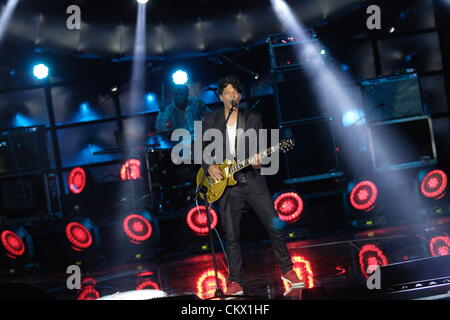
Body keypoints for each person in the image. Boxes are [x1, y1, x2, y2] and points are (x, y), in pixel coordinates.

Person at [200, 76, 304, 296]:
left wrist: (261, 159)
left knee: (274, 225)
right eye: (227, 92)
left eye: (236, 92)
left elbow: (263, 150)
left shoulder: (253, 117)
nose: (232, 96)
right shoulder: (210, 119)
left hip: (253, 181)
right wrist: (209, 166)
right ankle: (235, 281)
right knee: (231, 235)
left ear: (240, 95)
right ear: (220, 97)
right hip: (227, 186)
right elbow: (202, 150)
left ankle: (288, 270)